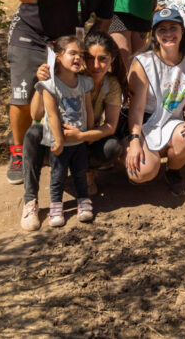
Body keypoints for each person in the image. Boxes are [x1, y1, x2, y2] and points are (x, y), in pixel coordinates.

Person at [5, 0, 116, 185]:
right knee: (23, 97)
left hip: (63, 43)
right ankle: (17, 152)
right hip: (29, 34)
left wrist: (86, 54)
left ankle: (57, 148)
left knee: (63, 95)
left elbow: (103, 22)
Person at [23, 31, 124, 231]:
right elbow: (35, 114)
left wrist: (82, 136)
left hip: (81, 141)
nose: (95, 65)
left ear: (111, 59)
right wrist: (41, 83)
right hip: (56, 142)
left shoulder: (110, 85)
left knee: (112, 146)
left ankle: (87, 174)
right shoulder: (70, 75)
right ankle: (30, 201)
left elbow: (110, 125)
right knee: (33, 134)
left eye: (102, 59)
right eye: (90, 58)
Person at [124, 8, 185, 197]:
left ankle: (172, 170)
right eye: (162, 30)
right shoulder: (144, 63)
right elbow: (136, 109)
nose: (168, 34)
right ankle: (127, 152)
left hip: (170, 122)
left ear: (182, 31)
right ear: (154, 34)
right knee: (143, 173)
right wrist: (135, 140)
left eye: (173, 28)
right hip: (143, 123)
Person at [35, 36, 95, 228]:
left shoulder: (84, 83)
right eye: (72, 53)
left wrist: (89, 132)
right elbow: (51, 115)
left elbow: (88, 109)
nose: (78, 58)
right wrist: (58, 140)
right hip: (59, 142)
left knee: (80, 173)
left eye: (81, 54)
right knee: (58, 175)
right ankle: (56, 206)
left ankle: (83, 201)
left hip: (78, 141)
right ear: (59, 56)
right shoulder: (50, 85)